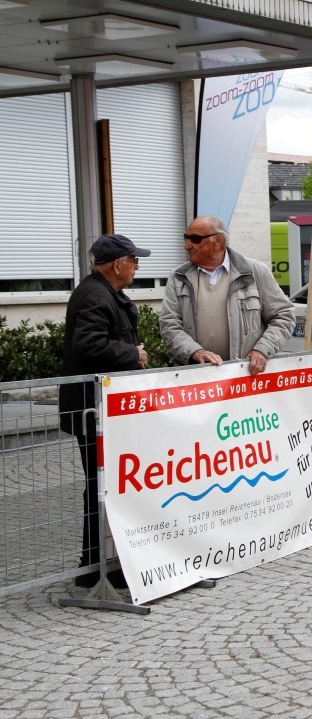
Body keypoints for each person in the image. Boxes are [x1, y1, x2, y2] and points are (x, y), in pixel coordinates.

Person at [59, 234, 151, 589]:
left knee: (107, 484)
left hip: (104, 409)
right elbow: (89, 344)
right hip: (93, 410)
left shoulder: (102, 292)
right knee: (100, 485)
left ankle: (105, 561)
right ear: (117, 264)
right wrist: (134, 354)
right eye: (134, 261)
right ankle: (94, 565)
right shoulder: (96, 295)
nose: (137, 267)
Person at [160, 216, 294, 372]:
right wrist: (194, 352)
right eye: (186, 238)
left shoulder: (254, 272)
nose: (187, 245)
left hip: (245, 374)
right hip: (197, 377)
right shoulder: (178, 277)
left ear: (219, 240)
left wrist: (263, 350)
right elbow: (169, 325)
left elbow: (284, 316)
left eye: (195, 239)